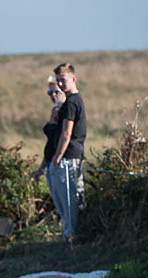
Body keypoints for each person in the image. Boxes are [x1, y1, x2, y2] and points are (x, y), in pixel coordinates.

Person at [51, 63, 87, 243]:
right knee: (68, 199)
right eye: (58, 81)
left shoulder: (72, 101)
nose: (60, 84)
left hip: (69, 156)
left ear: (73, 79)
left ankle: (71, 236)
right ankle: (69, 235)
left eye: (63, 80)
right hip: (71, 155)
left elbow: (67, 133)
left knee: (69, 200)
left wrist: (58, 156)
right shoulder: (69, 101)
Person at [32, 76, 67, 221]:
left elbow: (63, 138)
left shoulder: (65, 111)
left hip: (61, 163)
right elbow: (50, 145)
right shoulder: (55, 110)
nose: (53, 96)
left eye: (56, 92)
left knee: (65, 202)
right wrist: (41, 167)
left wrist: (57, 160)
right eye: (50, 93)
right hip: (51, 162)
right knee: (58, 202)